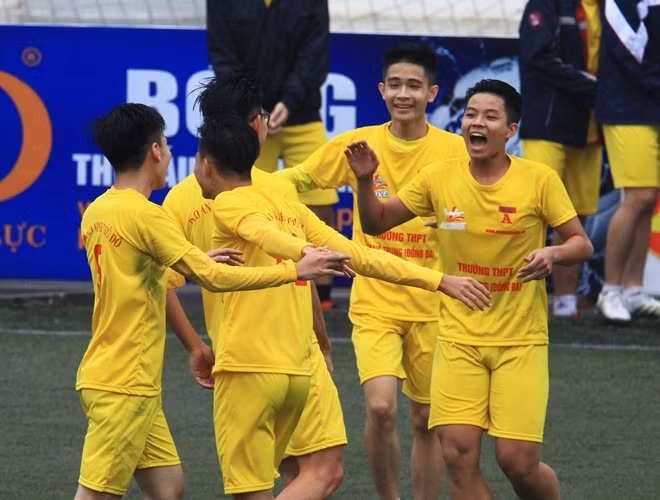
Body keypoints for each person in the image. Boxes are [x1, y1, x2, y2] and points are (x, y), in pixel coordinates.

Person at [196, 113, 491, 500]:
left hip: (246, 368)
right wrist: (439, 280)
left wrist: (301, 256)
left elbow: (261, 233)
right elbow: (362, 256)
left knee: (252, 490)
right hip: (296, 375)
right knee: (319, 472)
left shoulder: (228, 203)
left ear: (205, 165)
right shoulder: (291, 209)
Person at [74, 103, 349, 500]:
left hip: (113, 373)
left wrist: (198, 258)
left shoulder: (98, 211)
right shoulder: (149, 217)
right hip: (125, 381)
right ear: (155, 151)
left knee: (168, 488)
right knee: (95, 494)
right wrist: (294, 271)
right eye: (167, 144)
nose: (171, 153)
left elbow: (139, 269)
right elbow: (215, 279)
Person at [346, 79, 593, 500]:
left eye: (490, 116)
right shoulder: (438, 177)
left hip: (520, 342)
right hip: (457, 340)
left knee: (517, 463)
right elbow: (376, 222)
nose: (476, 123)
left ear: (511, 130)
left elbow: (581, 244)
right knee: (458, 458)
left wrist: (553, 254)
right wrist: (366, 181)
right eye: (471, 114)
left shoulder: (539, 179)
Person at [277, 42, 466, 500]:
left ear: (432, 93)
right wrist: (245, 187)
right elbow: (299, 179)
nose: (404, 94)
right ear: (382, 90)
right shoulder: (358, 144)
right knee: (381, 407)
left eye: (414, 86)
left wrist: (454, 226)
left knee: (426, 418)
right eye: (395, 85)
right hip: (376, 300)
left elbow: (474, 211)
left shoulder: (455, 151)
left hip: (435, 302)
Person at [163, 74, 346, 499]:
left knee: (297, 472)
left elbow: (162, 283)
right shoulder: (275, 188)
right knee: (320, 470)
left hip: (243, 357)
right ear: (254, 126)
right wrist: (322, 342)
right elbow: (304, 269)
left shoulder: (178, 199)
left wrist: (195, 345)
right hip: (290, 356)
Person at [207, 0, 338, 309]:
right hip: (249, 116)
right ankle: (253, 276)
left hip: (302, 111)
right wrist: (253, 107)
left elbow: (314, 54)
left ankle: (322, 291)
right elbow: (222, 53)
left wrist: (290, 102)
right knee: (245, 198)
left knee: (321, 199)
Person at [519, 0, 602, 317]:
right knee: (532, 213)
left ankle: (565, 301)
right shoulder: (546, 4)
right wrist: (595, 87)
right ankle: (515, 295)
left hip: (589, 127)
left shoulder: (610, 8)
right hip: (548, 124)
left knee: (575, 217)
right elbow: (538, 58)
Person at [595, 0, 660, 321]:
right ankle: (610, 290)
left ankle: (633, 290)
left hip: (650, 105)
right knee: (638, 197)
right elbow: (630, 50)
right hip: (627, 106)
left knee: (648, 199)